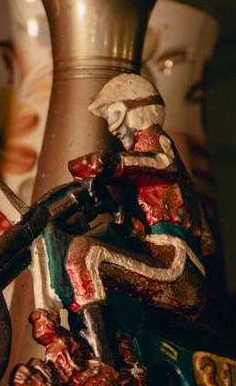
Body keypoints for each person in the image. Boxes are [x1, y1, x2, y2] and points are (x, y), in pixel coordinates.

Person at [62, 73, 214, 365]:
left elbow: (162, 163)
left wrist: (113, 163)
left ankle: (104, 363)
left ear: (133, 110)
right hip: (167, 255)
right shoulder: (152, 157)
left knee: (85, 255)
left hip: (176, 262)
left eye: (115, 116)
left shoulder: (156, 141)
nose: (113, 128)